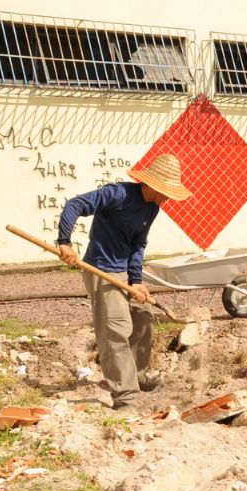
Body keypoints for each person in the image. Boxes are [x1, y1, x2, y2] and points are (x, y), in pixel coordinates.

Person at [56, 154, 192, 413]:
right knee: (115, 331)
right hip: (100, 269)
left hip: (124, 275)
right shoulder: (117, 194)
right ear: (150, 184)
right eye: (165, 191)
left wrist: (137, 280)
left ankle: (137, 378)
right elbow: (75, 205)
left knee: (143, 318)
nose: (167, 197)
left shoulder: (152, 208)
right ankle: (126, 397)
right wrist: (64, 242)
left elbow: (138, 244)